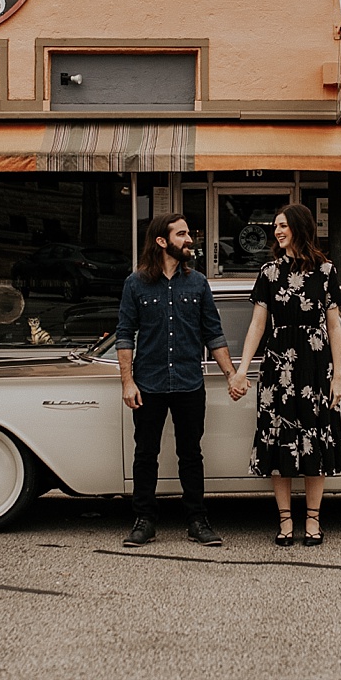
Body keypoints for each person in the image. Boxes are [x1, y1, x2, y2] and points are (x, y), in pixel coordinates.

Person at [229, 203, 341, 547]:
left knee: (315, 437)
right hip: (278, 366)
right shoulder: (268, 272)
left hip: (315, 365)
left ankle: (313, 520)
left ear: (299, 227)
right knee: (278, 439)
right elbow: (257, 324)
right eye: (276, 226)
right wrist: (241, 370)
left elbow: (334, 325)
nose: (278, 231)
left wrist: (337, 377)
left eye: (283, 226)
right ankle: (285, 520)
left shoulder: (326, 272)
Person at [116, 213, 239, 548]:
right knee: (145, 453)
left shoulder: (197, 283)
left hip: (188, 381)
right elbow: (125, 335)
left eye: (189, 233)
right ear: (162, 241)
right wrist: (128, 382)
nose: (189, 240)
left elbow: (214, 334)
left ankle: (197, 520)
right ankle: (144, 521)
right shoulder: (136, 283)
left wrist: (231, 375)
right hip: (149, 383)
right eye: (182, 234)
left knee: (191, 453)